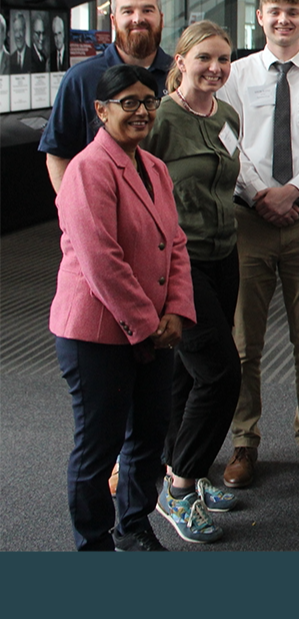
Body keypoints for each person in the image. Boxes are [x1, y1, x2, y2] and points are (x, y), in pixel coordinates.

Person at [50, 64, 195, 551]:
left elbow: (174, 243)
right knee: (99, 447)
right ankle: (92, 545)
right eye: (128, 103)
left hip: (152, 327)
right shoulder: (87, 170)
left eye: (149, 102)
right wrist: (150, 324)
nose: (141, 112)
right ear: (101, 110)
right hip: (96, 332)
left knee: (148, 437)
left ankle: (133, 526)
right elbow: (101, 261)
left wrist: (176, 309)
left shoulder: (152, 167)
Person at [219, 0, 299, 489]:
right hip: (247, 219)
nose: (283, 20)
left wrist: (290, 191)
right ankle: (244, 442)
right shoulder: (235, 75)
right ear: (260, 17)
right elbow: (227, 138)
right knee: (244, 341)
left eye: (292, 11)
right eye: (274, 11)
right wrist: (260, 195)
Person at [142, 21, 243, 544]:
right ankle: (179, 488)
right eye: (204, 58)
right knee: (221, 374)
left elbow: (229, 181)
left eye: (223, 59)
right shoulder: (159, 120)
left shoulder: (226, 114)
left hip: (225, 256)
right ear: (180, 61)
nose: (215, 68)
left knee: (186, 373)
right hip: (180, 264)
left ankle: (182, 470)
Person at [39, 0, 173, 192]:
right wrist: (75, 209)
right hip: (106, 210)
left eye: (147, 10)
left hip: (172, 212)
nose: (138, 18)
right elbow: (58, 153)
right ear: (113, 20)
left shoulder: (180, 76)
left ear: (161, 19)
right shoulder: (81, 78)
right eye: (128, 11)